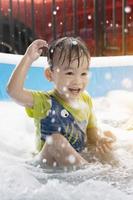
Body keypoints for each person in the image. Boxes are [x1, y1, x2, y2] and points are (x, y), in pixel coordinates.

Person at [7, 37, 116, 168]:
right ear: (50, 75)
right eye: (70, 73)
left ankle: (117, 171)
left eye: (83, 73)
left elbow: (91, 128)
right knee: (55, 141)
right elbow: (13, 91)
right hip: (48, 165)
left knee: (107, 137)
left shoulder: (85, 99)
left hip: (75, 158)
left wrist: (99, 139)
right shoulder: (45, 102)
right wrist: (28, 58)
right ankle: (92, 173)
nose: (78, 81)